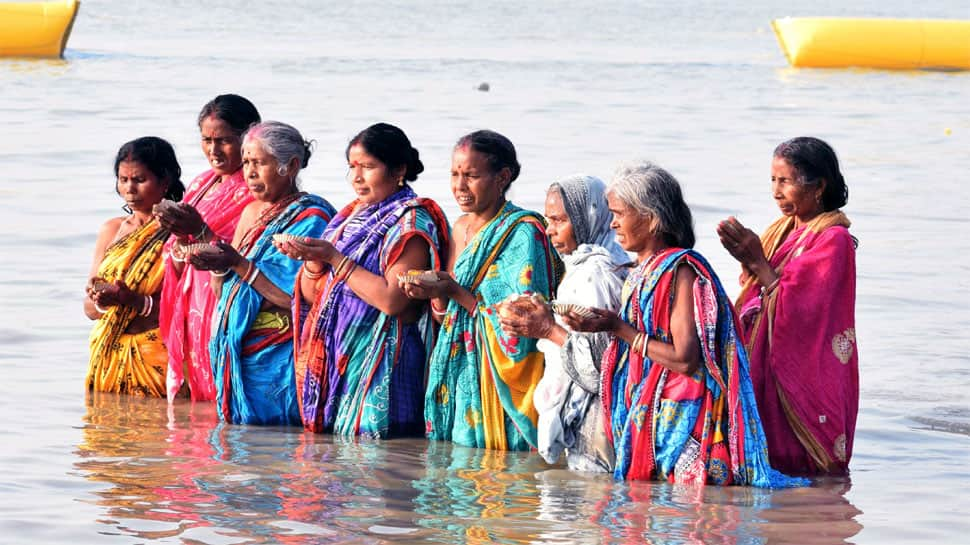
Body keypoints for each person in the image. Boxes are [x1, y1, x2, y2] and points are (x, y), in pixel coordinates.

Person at [565, 160, 806, 487]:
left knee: (687, 520)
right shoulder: (640, 271)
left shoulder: (680, 270)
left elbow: (684, 358)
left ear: (650, 219)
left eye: (619, 214)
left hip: (684, 416)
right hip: (655, 412)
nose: (613, 225)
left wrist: (617, 328)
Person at [279, 123, 449, 437]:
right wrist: (313, 261)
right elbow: (314, 295)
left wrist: (333, 258)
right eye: (352, 167)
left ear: (399, 170)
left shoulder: (410, 222)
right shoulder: (349, 216)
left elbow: (392, 300)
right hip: (339, 355)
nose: (356, 177)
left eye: (368, 167)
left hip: (383, 360)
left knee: (379, 465)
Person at [402, 130, 561, 451]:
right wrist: (431, 293)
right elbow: (445, 311)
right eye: (454, 174)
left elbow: (521, 324)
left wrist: (453, 289)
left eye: (472, 176)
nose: (459, 186)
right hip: (459, 363)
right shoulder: (459, 227)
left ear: (502, 177)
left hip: (496, 373)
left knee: (499, 464)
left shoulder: (523, 232)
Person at [716, 136, 857, 475]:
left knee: (812, 473)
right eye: (773, 181)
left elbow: (805, 310)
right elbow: (755, 292)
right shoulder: (782, 229)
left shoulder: (833, 239)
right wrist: (747, 260)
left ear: (818, 185)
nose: (776, 192)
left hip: (809, 365)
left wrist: (757, 261)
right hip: (764, 355)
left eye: (786, 181)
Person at [192, 121, 336, 425]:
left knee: (279, 451)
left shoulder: (314, 217)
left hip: (279, 355)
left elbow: (298, 298)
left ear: (291, 166)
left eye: (260, 163)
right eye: (246, 163)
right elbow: (226, 292)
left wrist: (239, 264)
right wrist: (218, 265)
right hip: (237, 354)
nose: (250, 172)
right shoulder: (250, 213)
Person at [498, 174, 628, 472]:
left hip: (597, 420)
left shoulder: (593, 275)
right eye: (548, 220)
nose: (549, 230)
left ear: (587, 219)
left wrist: (547, 329)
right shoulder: (597, 263)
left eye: (559, 221)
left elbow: (598, 371)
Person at [155, 94, 261, 402]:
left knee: (219, 390)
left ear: (248, 136)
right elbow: (181, 245)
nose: (213, 150)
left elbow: (241, 253)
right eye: (206, 140)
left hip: (219, 299)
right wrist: (176, 234)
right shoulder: (202, 183)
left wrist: (198, 231)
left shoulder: (255, 187)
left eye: (224, 140)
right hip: (190, 298)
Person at [85, 137, 186, 396]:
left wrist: (130, 300)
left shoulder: (181, 231)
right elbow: (89, 308)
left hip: (156, 355)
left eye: (139, 180)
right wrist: (102, 300)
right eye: (123, 180)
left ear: (165, 181)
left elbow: (184, 308)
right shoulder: (112, 230)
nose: (129, 189)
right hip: (107, 354)